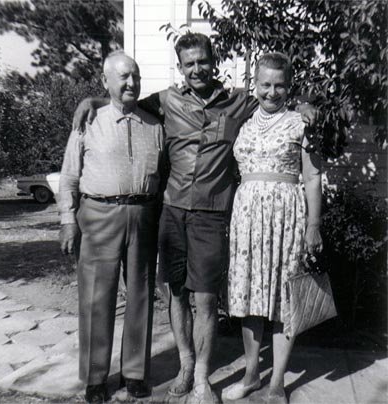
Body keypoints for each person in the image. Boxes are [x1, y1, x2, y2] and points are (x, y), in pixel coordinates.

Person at [73, 33, 318, 404]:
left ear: (213, 61)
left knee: (205, 299)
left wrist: (305, 104)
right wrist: (92, 100)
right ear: (180, 67)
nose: (197, 68)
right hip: (172, 211)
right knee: (176, 293)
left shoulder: (237, 101)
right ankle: (185, 364)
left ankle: (202, 378)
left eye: (203, 61)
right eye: (189, 63)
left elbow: (275, 96)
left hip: (211, 214)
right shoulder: (166, 101)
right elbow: (123, 100)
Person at [59, 50, 164, 404]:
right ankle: (95, 378)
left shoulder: (155, 125)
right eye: (123, 77)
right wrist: (67, 221)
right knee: (96, 297)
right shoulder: (88, 120)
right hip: (99, 214)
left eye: (136, 76)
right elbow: (69, 177)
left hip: (143, 215)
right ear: (105, 81)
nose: (132, 83)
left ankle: (135, 373)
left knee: (141, 294)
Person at [225, 52, 323, 404]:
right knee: (249, 297)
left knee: (285, 299)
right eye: (265, 84)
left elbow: (313, 177)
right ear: (254, 84)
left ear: (289, 86)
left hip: (287, 218)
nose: (271, 92)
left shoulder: (301, 123)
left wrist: (313, 225)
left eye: (279, 85)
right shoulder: (242, 120)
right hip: (247, 220)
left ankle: (277, 382)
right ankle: (252, 375)